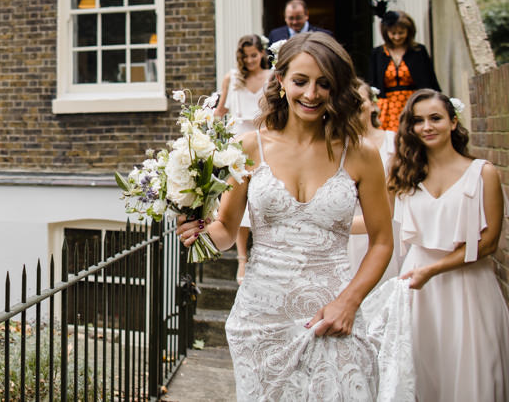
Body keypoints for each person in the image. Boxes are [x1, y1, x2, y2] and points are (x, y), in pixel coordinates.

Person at [179, 32, 394, 400]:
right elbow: (228, 231)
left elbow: (383, 241)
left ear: (337, 87)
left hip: (332, 315)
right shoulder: (250, 147)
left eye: (324, 84)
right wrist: (195, 229)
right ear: (280, 80)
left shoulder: (361, 154)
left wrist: (349, 302)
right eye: (300, 81)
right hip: (262, 320)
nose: (311, 94)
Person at [390, 89, 509, 401]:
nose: (427, 126)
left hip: (468, 288)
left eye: (435, 118)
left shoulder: (483, 173)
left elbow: (488, 244)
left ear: (453, 122)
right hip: (419, 290)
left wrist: (433, 269)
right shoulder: (407, 174)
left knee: (472, 373)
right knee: (421, 372)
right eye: (418, 121)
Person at [214, 34, 271, 284]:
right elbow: (221, 110)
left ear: (262, 54)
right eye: (245, 56)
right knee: (239, 202)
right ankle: (242, 260)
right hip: (239, 144)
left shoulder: (271, 78)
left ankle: (264, 254)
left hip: (263, 141)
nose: (250, 60)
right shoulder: (232, 78)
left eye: (254, 55)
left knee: (261, 197)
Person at [347, 81, 400, 284]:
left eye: (359, 98)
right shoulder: (335, 149)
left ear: (373, 104)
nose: (355, 103)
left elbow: (391, 205)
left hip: (388, 232)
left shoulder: (395, 143)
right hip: (349, 240)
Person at [368, 10, 439, 131]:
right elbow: (372, 84)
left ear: (409, 31)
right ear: (386, 33)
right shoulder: (377, 53)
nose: (397, 37)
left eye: (401, 32)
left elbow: (429, 81)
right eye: (393, 33)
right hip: (387, 108)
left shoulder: (418, 51)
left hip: (413, 104)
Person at [267, 0, 332, 43]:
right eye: (291, 18)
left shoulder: (324, 35)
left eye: (298, 18)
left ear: (306, 15)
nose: (295, 22)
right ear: (285, 17)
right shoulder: (275, 35)